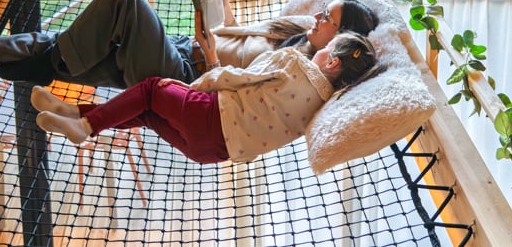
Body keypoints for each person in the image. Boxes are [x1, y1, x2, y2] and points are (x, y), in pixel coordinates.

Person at [0, 0, 379, 88]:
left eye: (328, 18)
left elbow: (235, 91)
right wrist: (211, 10)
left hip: (186, 75)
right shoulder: (296, 32)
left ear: (340, 40)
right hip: (185, 49)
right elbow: (236, 36)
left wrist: (209, 52)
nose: (317, 16)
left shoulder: (303, 71)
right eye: (322, 10)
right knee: (68, 47)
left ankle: (42, 64)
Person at [31, 31, 384, 164]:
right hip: (212, 153)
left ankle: (87, 123)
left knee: (153, 88)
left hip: (211, 114)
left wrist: (196, 87)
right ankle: (74, 112)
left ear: (333, 61)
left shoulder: (295, 61)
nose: (321, 49)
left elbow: (242, 78)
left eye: (328, 48)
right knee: (149, 113)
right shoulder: (322, 110)